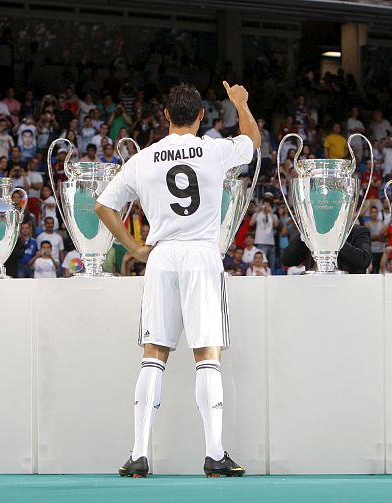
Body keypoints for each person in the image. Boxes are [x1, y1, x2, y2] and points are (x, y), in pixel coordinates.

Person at [95, 81, 260, 478]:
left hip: (162, 255)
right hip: (201, 253)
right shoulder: (213, 150)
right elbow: (252, 142)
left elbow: (103, 205)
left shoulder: (144, 158)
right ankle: (214, 454)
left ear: (166, 115)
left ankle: (138, 454)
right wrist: (241, 104)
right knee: (207, 354)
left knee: (153, 354)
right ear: (201, 116)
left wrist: (135, 249)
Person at [281, 223, 372, 274]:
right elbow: (287, 260)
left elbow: (364, 260)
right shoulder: (311, 232)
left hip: (348, 291)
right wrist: (304, 233)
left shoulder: (358, 231)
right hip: (315, 290)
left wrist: (334, 238)